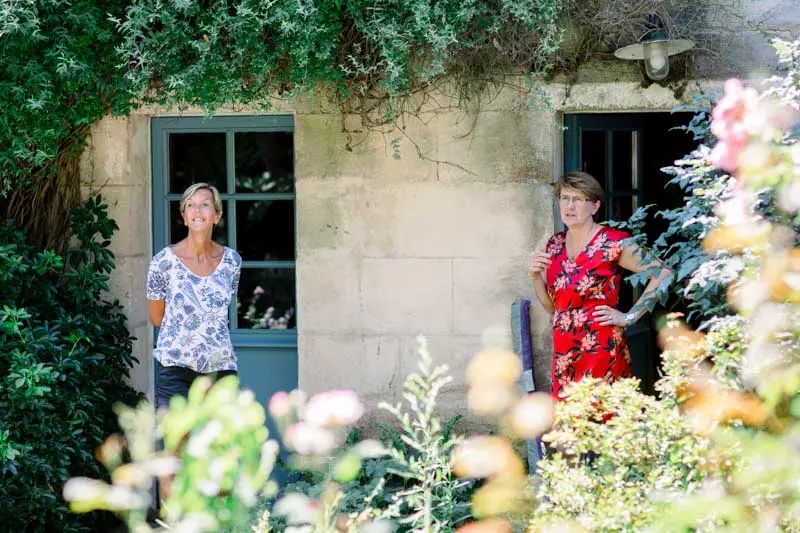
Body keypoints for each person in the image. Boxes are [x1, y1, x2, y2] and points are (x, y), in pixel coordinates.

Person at [529, 171, 671, 401]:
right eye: (564, 198)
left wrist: (630, 317)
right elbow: (552, 308)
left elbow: (663, 273)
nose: (569, 205)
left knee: (602, 420)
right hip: (564, 353)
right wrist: (535, 277)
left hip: (601, 350)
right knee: (569, 426)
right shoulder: (554, 244)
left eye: (578, 199)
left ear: (595, 206)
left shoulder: (613, 242)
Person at [146, 182, 242, 498]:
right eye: (191, 205)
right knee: (174, 454)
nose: (197, 210)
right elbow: (157, 318)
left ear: (217, 215)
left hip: (219, 367)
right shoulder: (162, 262)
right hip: (175, 368)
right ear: (183, 215)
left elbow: (218, 315)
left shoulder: (232, 262)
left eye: (205, 205)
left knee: (222, 450)